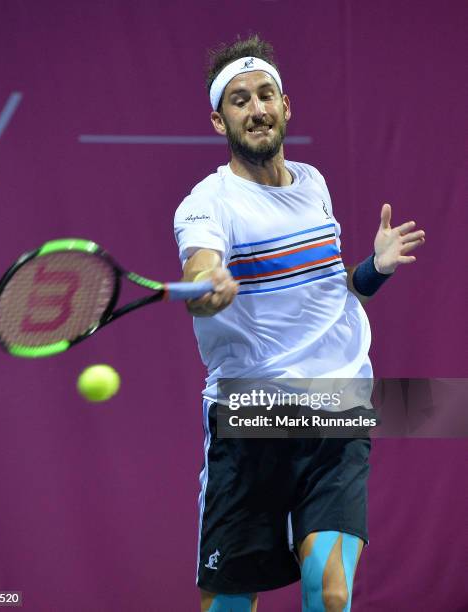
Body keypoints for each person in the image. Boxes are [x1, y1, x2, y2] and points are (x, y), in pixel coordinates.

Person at [173, 35, 425, 612]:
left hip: (336, 408)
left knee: (329, 593)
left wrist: (374, 270)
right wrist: (209, 286)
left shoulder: (314, 185)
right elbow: (201, 270)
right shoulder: (206, 204)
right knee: (230, 606)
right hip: (251, 419)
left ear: (286, 107)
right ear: (220, 121)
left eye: (266, 95)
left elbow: (333, 292)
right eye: (240, 100)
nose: (257, 109)